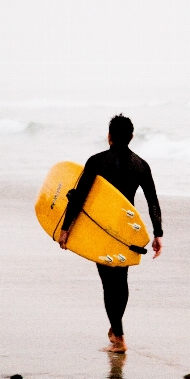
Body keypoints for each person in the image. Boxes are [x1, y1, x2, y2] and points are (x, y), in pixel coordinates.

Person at [58, 114, 163, 353]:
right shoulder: (141, 165)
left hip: (101, 228)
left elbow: (78, 196)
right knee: (121, 280)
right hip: (126, 230)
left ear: (109, 136)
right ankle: (116, 332)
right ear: (131, 137)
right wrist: (158, 233)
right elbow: (152, 202)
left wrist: (65, 228)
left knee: (108, 284)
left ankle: (119, 337)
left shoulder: (96, 161)